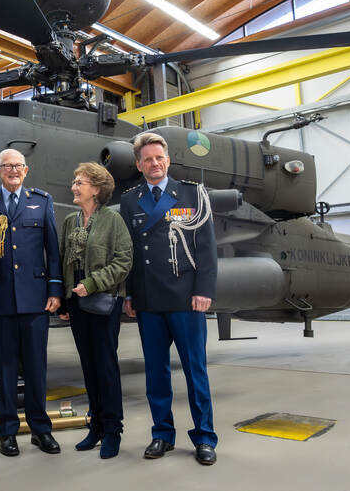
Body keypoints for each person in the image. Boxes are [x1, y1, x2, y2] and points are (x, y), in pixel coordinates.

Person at [120, 132, 219, 466]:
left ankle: (205, 437)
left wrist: (204, 289)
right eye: (147, 159)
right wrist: (131, 293)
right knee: (156, 374)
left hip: (186, 299)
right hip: (149, 300)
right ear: (139, 164)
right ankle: (162, 434)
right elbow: (130, 253)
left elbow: (207, 248)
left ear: (168, 160)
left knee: (196, 372)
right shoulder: (130, 201)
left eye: (159, 157)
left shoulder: (192, 193)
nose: (154, 163)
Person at [0, 149, 62, 457]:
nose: (13, 170)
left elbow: (52, 251)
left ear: (26, 171)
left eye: (18, 166)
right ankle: (8, 433)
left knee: (37, 368)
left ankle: (41, 430)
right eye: (6, 166)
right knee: (5, 370)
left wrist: (55, 290)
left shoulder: (42, 201)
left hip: (36, 299)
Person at [58, 162, 133, 459]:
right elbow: (64, 262)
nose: (74, 187)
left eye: (80, 182)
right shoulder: (69, 221)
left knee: (105, 366)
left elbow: (124, 262)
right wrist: (65, 300)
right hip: (77, 304)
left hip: (103, 302)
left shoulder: (113, 221)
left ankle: (113, 429)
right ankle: (96, 426)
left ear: (97, 189)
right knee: (88, 367)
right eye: (75, 181)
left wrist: (92, 283)